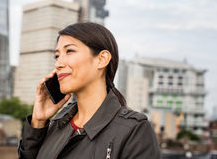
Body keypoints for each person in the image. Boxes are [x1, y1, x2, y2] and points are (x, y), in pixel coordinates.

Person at [18, 22, 160, 159]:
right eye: (57, 56)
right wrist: (38, 122)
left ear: (101, 59)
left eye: (69, 51)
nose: (58, 64)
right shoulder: (57, 124)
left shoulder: (134, 131)